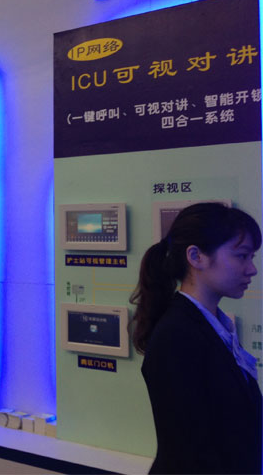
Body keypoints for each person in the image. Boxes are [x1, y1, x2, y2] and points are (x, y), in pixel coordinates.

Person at [130, 203, 262, 474]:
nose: (252, 269)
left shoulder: (214, 327)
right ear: (196, 256)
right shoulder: (176, 336)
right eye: (242, 256)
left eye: (252, 257)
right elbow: (189, 453)